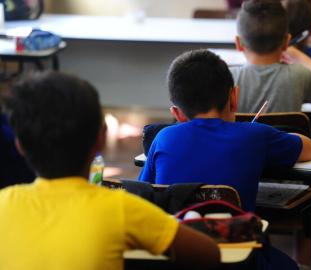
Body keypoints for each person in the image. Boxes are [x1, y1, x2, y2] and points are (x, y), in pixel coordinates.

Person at [0, 71, 220, 270]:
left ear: (19, 145)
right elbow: (209, 254)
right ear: (102, 138)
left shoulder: (3, 203)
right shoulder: (122, 209)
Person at [139, 49, 311, 270]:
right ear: (234, 97)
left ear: (177, 113)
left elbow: (144, 195)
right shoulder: (254, 135)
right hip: (241, 258)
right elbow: (310, 149)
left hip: (178, 257)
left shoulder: (163, 137)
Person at [230, 0, 311, 113]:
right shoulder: (299, 75)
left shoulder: (229, 78)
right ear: (286, 42)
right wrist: (298, 55)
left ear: (238, 43)